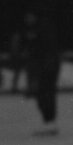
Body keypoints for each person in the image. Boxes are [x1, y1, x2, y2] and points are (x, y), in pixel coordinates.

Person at [19, 8, 62, 137]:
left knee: (46, 95)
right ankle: (49, 122)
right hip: (43, 67)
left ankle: (49, 123)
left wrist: (48, 67)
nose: (27, 20)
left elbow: (48, 49)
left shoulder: (42, 28)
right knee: (42, 95)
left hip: (47, 68)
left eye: (29, 17)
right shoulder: (32, 29)